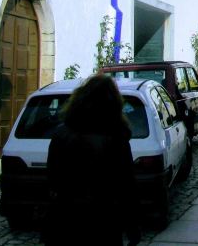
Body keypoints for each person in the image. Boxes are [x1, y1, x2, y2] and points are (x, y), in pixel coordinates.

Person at [45, 75, 140, 245]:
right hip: (103, 221)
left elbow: (53, 179)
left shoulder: (61, 134)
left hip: (66, 220)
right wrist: (132, 227)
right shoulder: (116, 138)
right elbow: (126, 186)